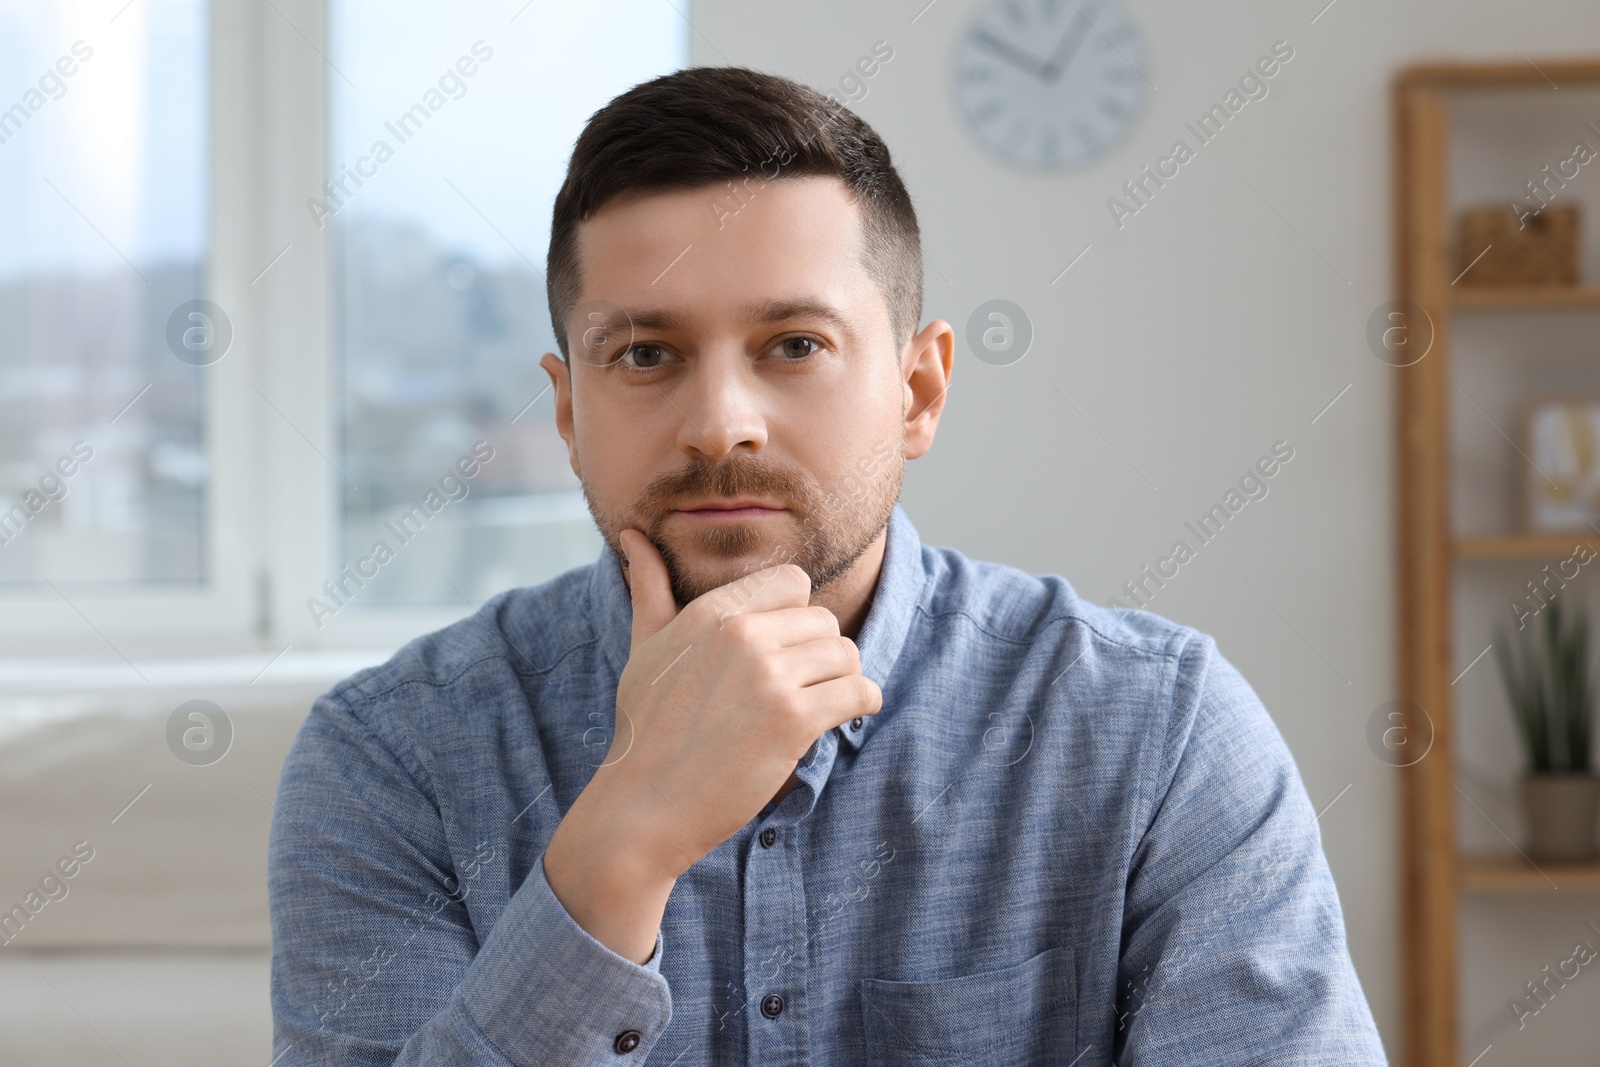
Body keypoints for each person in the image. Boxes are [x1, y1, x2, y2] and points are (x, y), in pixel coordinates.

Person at [268, 65, 1388, 1065]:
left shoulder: (1158, 731)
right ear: (568, 409)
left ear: (918, 391)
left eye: (793, 345)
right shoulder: (391, 758)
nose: (721, 423)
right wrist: (619, 849)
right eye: (646, 353)